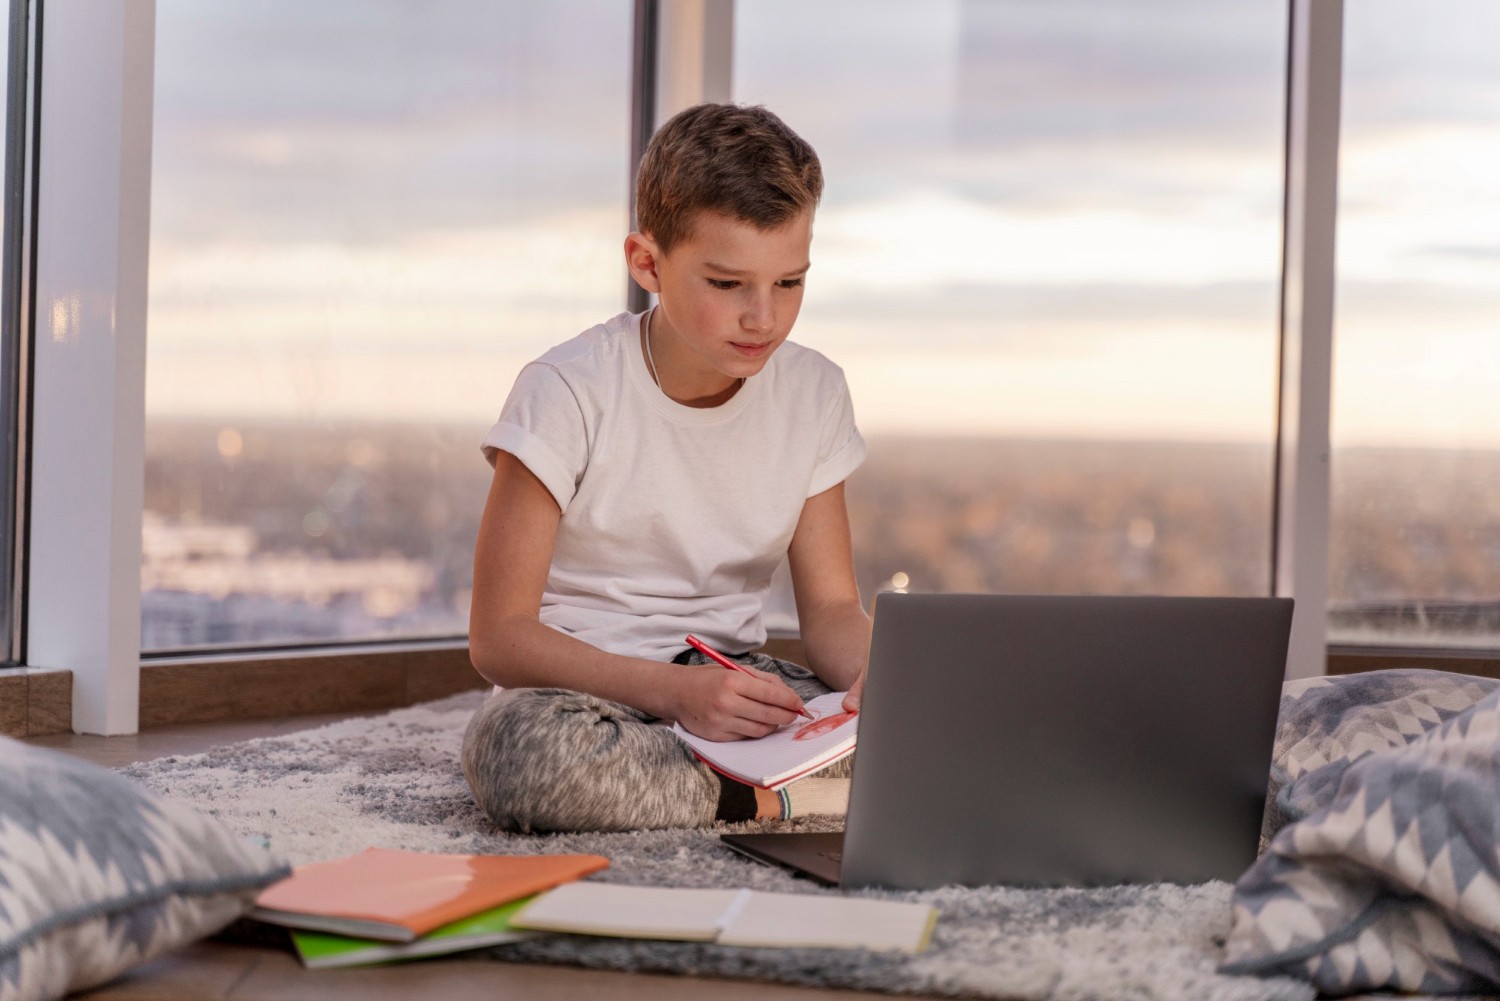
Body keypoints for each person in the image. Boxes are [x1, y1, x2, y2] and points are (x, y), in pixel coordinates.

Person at [462, 103, 869, 833]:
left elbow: (834, 613)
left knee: (928, 729)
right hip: (584, 691)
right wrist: (672, 696)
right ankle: (778, 798)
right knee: (523, 758)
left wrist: (884, 682)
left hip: (735, 686)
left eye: (789, 283)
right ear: (648, 263)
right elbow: (498, 635)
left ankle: (756, 788)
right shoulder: (566, 391)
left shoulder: (815, 392)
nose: (763, 318)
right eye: (726, 284)